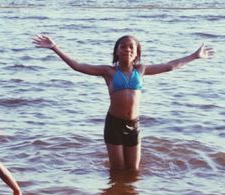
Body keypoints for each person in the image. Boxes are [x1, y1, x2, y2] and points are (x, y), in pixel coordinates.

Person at [32, 34, 214, 170]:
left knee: (133, 170)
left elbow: (170, 66)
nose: (127, 49)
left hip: (133, 124)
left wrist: (194, 56)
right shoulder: (108, 72)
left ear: (136, 54)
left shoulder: (141, 70)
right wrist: (55, 47)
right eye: (123, 47)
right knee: (117, 170)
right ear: (116, 52)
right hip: (114, 124)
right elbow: (77, 66)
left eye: (131, 47)